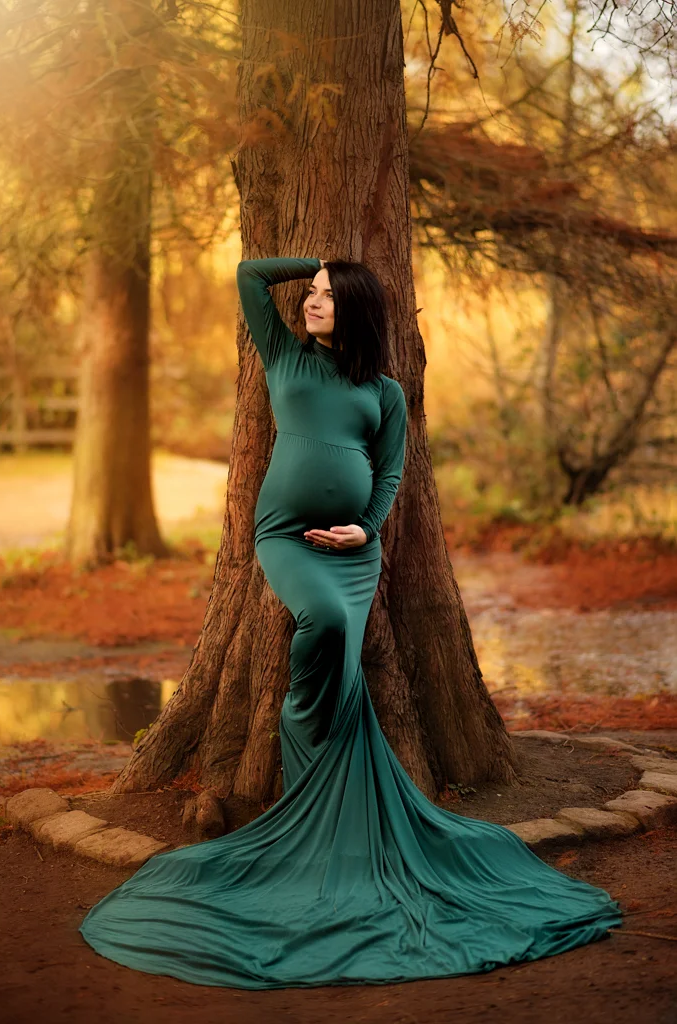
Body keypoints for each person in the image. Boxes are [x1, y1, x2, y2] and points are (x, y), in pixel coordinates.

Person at [78, 256, 622, 989]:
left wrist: (366, 529)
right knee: (324, 620)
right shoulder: (282, 354)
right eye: (311, 293)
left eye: (329, 295)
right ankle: (305, 734)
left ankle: (325, 776)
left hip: (352, 551)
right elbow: (247, 276)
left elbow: (391, 468)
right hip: (284, 537)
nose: (311, 301)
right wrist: (316, 260)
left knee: (340, 624)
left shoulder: (383, 391)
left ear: (359, 309)